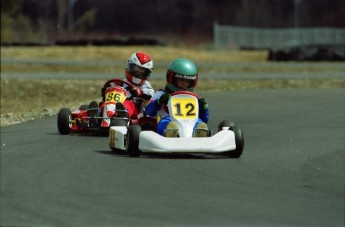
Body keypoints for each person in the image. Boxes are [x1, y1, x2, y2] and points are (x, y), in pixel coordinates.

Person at [145, 58, 209, 137]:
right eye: (181, 80)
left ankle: (198, 133)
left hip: (190, 122)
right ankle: (169, 133)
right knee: (165, 123)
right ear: (172, 79)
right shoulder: (161, 94)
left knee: (199, 122)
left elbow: (204, 120)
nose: (184, 84)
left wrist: (204, 110)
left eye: (187, 81)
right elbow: (148, 112)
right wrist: (159, 101)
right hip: (170, 120)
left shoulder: (192, 98)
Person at [90, 52, 154, 120]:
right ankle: (96, 115)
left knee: (127, 104)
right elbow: (108, 93)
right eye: (136, 70)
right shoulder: (119, 82)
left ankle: (121, 115)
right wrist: (106, 91)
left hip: (134, 111)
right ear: (130, 66)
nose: (138, 74)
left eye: (142, 72)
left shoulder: (145, 85)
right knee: (104, 105)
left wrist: (139, 92)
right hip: (114, 104)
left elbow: (150, 96)